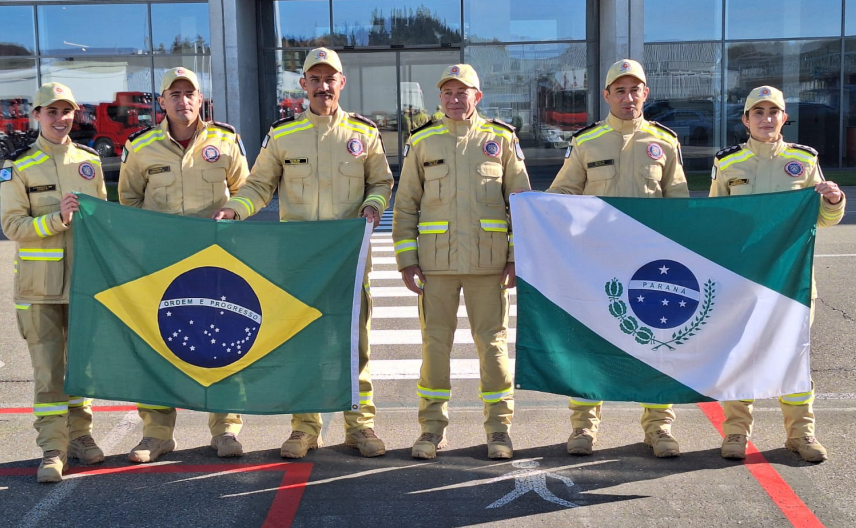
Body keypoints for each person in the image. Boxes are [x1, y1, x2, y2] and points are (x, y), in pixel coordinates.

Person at [213, 48, 393, 459]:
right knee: (301, 348)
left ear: (341, 83)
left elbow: (382, 182)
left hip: (347, 263)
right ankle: (304, 429)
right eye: (315, 78)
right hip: (298, 265)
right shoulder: (283, 135)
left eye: (330, 79)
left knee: (353, 347)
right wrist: (234, 209)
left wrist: (374, 205)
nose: (323, 86)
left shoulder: (364, 134)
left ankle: (360, 427)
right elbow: (259, 186)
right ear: (303, 85)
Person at [546, 59, 689, 458]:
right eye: (620, 90)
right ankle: (583, 428)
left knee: (658, 343)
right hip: (598, 265)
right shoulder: (587, 142)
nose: (628, 97)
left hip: (650, 268)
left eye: (635, 89)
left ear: (646, 93)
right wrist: (533, 208)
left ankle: (659, 428)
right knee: (590, 344)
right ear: (607, 95)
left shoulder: (664, 142)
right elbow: (564, 193)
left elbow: (678, 203)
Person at [392, 64, 531, 460]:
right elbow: (405, 208)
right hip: (436, 267)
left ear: (477, 96)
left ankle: (499, 431)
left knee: (493, 348)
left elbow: (520, 205)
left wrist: (516, 258)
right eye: (447, 93)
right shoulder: (423, 141)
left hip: (489, 268)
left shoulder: (501, 139)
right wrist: (406, 261)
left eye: (462, 92)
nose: (454, 99)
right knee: (435, 347)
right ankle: (431, 431)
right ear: (440, 98)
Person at [118, 67, 250, 462]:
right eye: (173, 94)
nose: (182, 100)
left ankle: (225, 429)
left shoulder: (226, 140)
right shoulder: (140, 147)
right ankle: (157, 434)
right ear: (161, 102)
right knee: (157, 344)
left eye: (188, 92)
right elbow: (129, 201)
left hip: (217, 265)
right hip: (162, 266)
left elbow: (246, 192)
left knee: (222, 341)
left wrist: (231, 215)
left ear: (200, 98)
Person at [710, 85, 845, 463]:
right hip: (743, 281)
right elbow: (714, 221)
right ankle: (736, 433)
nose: (766, 119)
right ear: (746, 119)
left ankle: (800, 434)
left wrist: (834, 200)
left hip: (791, 279)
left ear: (784, 118)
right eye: (758, 112)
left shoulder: (803, 160)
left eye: (773, 112)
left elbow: (822, 218)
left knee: (792, 356)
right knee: (739, 355)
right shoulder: (727, 164)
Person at [0, 83, 108, 482]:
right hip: (37, 288)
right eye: (52, 112)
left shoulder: (89, 161)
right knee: (48, 371)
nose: (60, 119)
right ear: (37, 115)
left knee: (81, 368)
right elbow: (12, 225)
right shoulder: (20, 165)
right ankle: (51, 448)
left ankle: (81, 436)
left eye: (67, 112)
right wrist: (55, 220)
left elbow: (100, 220)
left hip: (81, 285)